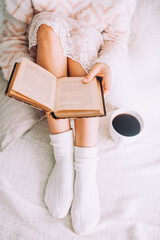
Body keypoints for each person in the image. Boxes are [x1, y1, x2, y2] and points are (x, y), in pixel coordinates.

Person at [1, 0, 137, 235]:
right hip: (42, 58)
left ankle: (85, 165)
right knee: (48, 25)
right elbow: (10, 39)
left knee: (84, 38)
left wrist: (106, 64)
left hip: (87, 63)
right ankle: (63, 153)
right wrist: (23, 73)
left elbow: (116, 39)